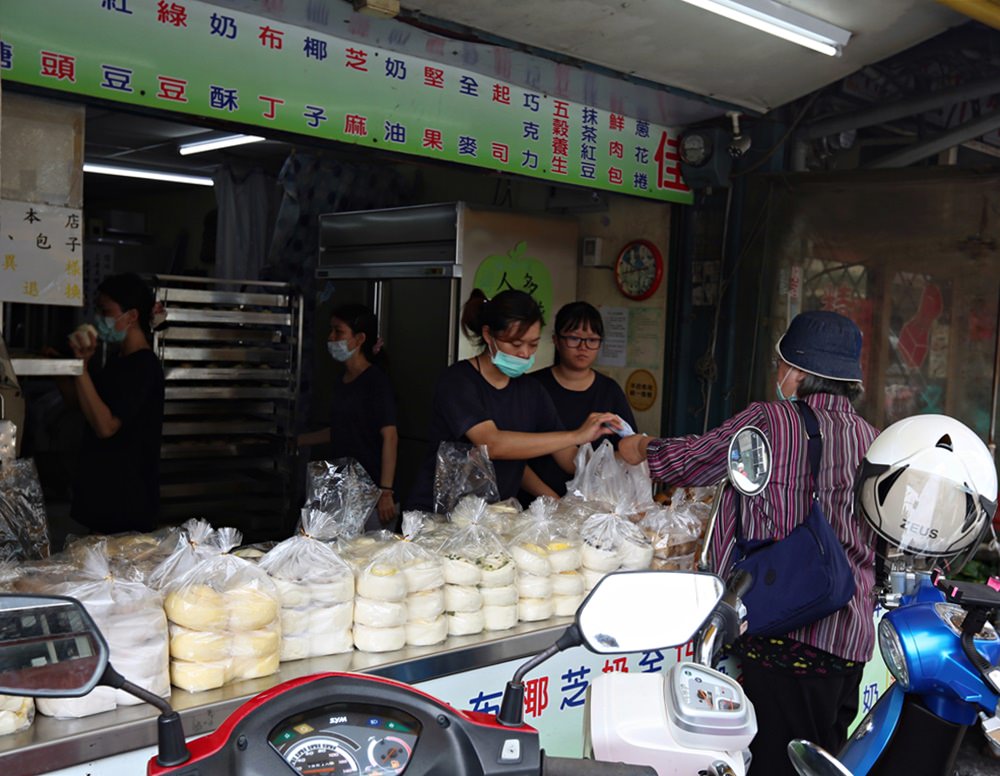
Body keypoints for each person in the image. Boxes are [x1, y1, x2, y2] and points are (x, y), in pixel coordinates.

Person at [618, 310, 878, 776]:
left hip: (783, 633)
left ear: (798, 371)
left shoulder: (769, 421)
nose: (778, 374)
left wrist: (641, 447)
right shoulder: (873, 439)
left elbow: (690, 464)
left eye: (781, 364)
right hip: (848, 638)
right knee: (822, 762)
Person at [406, 289, 620, 511]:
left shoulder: (531, 390)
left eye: (533, 344)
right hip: (438, 516)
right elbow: (492, 443)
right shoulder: (458, 381)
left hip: (492, 518)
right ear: (488, 335)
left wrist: (626, 462)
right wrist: (576, 435)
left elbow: (568, 458)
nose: (525, 353)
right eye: (516, 344)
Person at [63, 273, 165, 535]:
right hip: (104, 494)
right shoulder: (118, 361)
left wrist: (81, 368)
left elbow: (105, 426)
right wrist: (65, 367)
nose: (98, 319)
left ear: (131, 316)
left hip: (126, 502)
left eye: (105, 311)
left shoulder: (144, 367)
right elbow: (83, 404)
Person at [298, 304, 398, 529]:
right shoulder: (341, 381)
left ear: (360, 338)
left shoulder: (376, 382)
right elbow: (341, 429)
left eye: (338, 331)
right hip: (342, 486)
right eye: (331, 331)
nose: (331, 337)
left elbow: (390, 437)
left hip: (371, 492)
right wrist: (299, 440)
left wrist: (385, 491)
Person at [527, 301, 637, 497]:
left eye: (592, 340)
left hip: (593, 508)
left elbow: (628, 449)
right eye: (574, 338)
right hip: (535, 507)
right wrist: (553, 501)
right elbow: (515, 459)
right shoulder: (532, 387)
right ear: (556, 340)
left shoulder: (610, 391)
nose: (583, 347)